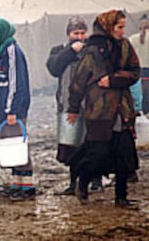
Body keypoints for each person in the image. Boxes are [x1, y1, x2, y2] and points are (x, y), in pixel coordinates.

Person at [67, 10, 140, 208]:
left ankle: (121, 197)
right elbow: (78, 81)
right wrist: (73, 108)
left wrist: (114, 80)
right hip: (99, 110)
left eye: (124, 27)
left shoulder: (125, 46)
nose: (122, 31)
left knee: (124, 154)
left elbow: (135, 71)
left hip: (122, 108)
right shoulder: (92, 51)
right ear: (108, 27)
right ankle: (82, 182)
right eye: (119, 27)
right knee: (97, 154)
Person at [46, 16, 102, 195]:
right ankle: (73, 182)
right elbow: (53, 68)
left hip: (91, 105)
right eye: (75, 33)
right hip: (67, 105)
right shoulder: (59, 50)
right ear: (68, 34)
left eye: (82, 33)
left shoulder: (94, 50)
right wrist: (70, 51)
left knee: (92, 142)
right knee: (71, 144)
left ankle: (96, 180)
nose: (79, 37)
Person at [0, 18, 35, 201]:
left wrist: (12, 110)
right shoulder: (0, 52)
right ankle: (17, 183)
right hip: (3, 110)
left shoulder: (11, 51)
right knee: (11, 146)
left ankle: (27, 186)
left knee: (19, 144)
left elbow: (16, 83)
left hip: (13, 110)